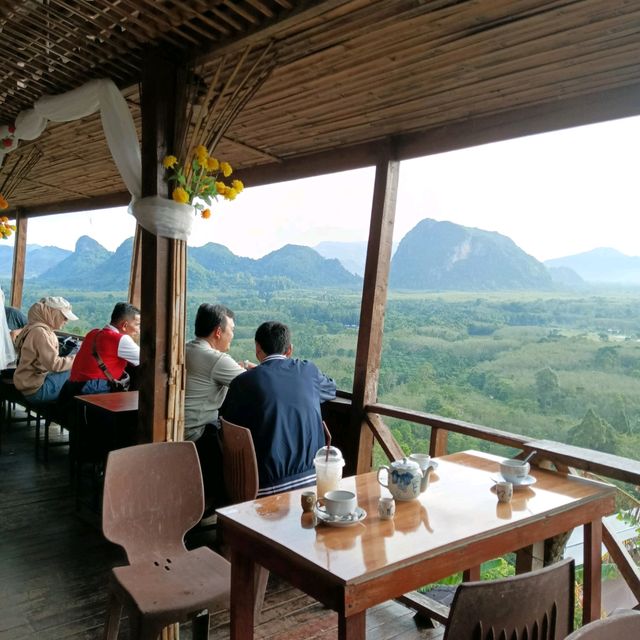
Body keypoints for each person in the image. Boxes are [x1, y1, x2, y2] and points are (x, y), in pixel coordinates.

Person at [220, 320, 337, 496]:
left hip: (264, 486)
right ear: (289, 349)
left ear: (257, 348)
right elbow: (331, 388)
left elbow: (227, 424)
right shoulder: (308, 371)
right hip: (313, 481)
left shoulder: (243, 382)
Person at [184, 303, 251, 508]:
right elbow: (256, 385)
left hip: (177, 429)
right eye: (231, 330)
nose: (232, 335)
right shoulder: (216, 359)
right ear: (218, 332)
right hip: (196, 434)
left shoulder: (187, 347)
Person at [63, 302, 140, 396]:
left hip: (72, 388)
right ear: (124, 325)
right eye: (137, 325)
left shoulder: (93, 333)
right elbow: (146, 359)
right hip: (93, 389)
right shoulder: (121, 339)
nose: (138, 330)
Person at [13, 296, 78, 404]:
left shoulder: (32, 327)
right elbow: (54, 365)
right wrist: (77, 358)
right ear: (53, 314)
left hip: (26, 384)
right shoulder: (41, 333)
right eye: (64, 317)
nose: (66, 321)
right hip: (36, 391)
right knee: (76, 368)